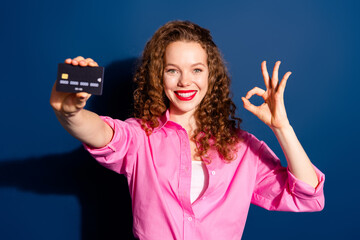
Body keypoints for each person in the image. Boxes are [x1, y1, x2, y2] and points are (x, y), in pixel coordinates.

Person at [50, 20, 325, 240]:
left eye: (196, 70)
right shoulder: (140, 137)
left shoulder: (242, 149)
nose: (185, 82)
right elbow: (98, 131)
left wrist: (282, 128)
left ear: (210, 75)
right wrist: (69, 111)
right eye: (172, 70)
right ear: (159, 75)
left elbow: (308, 195)